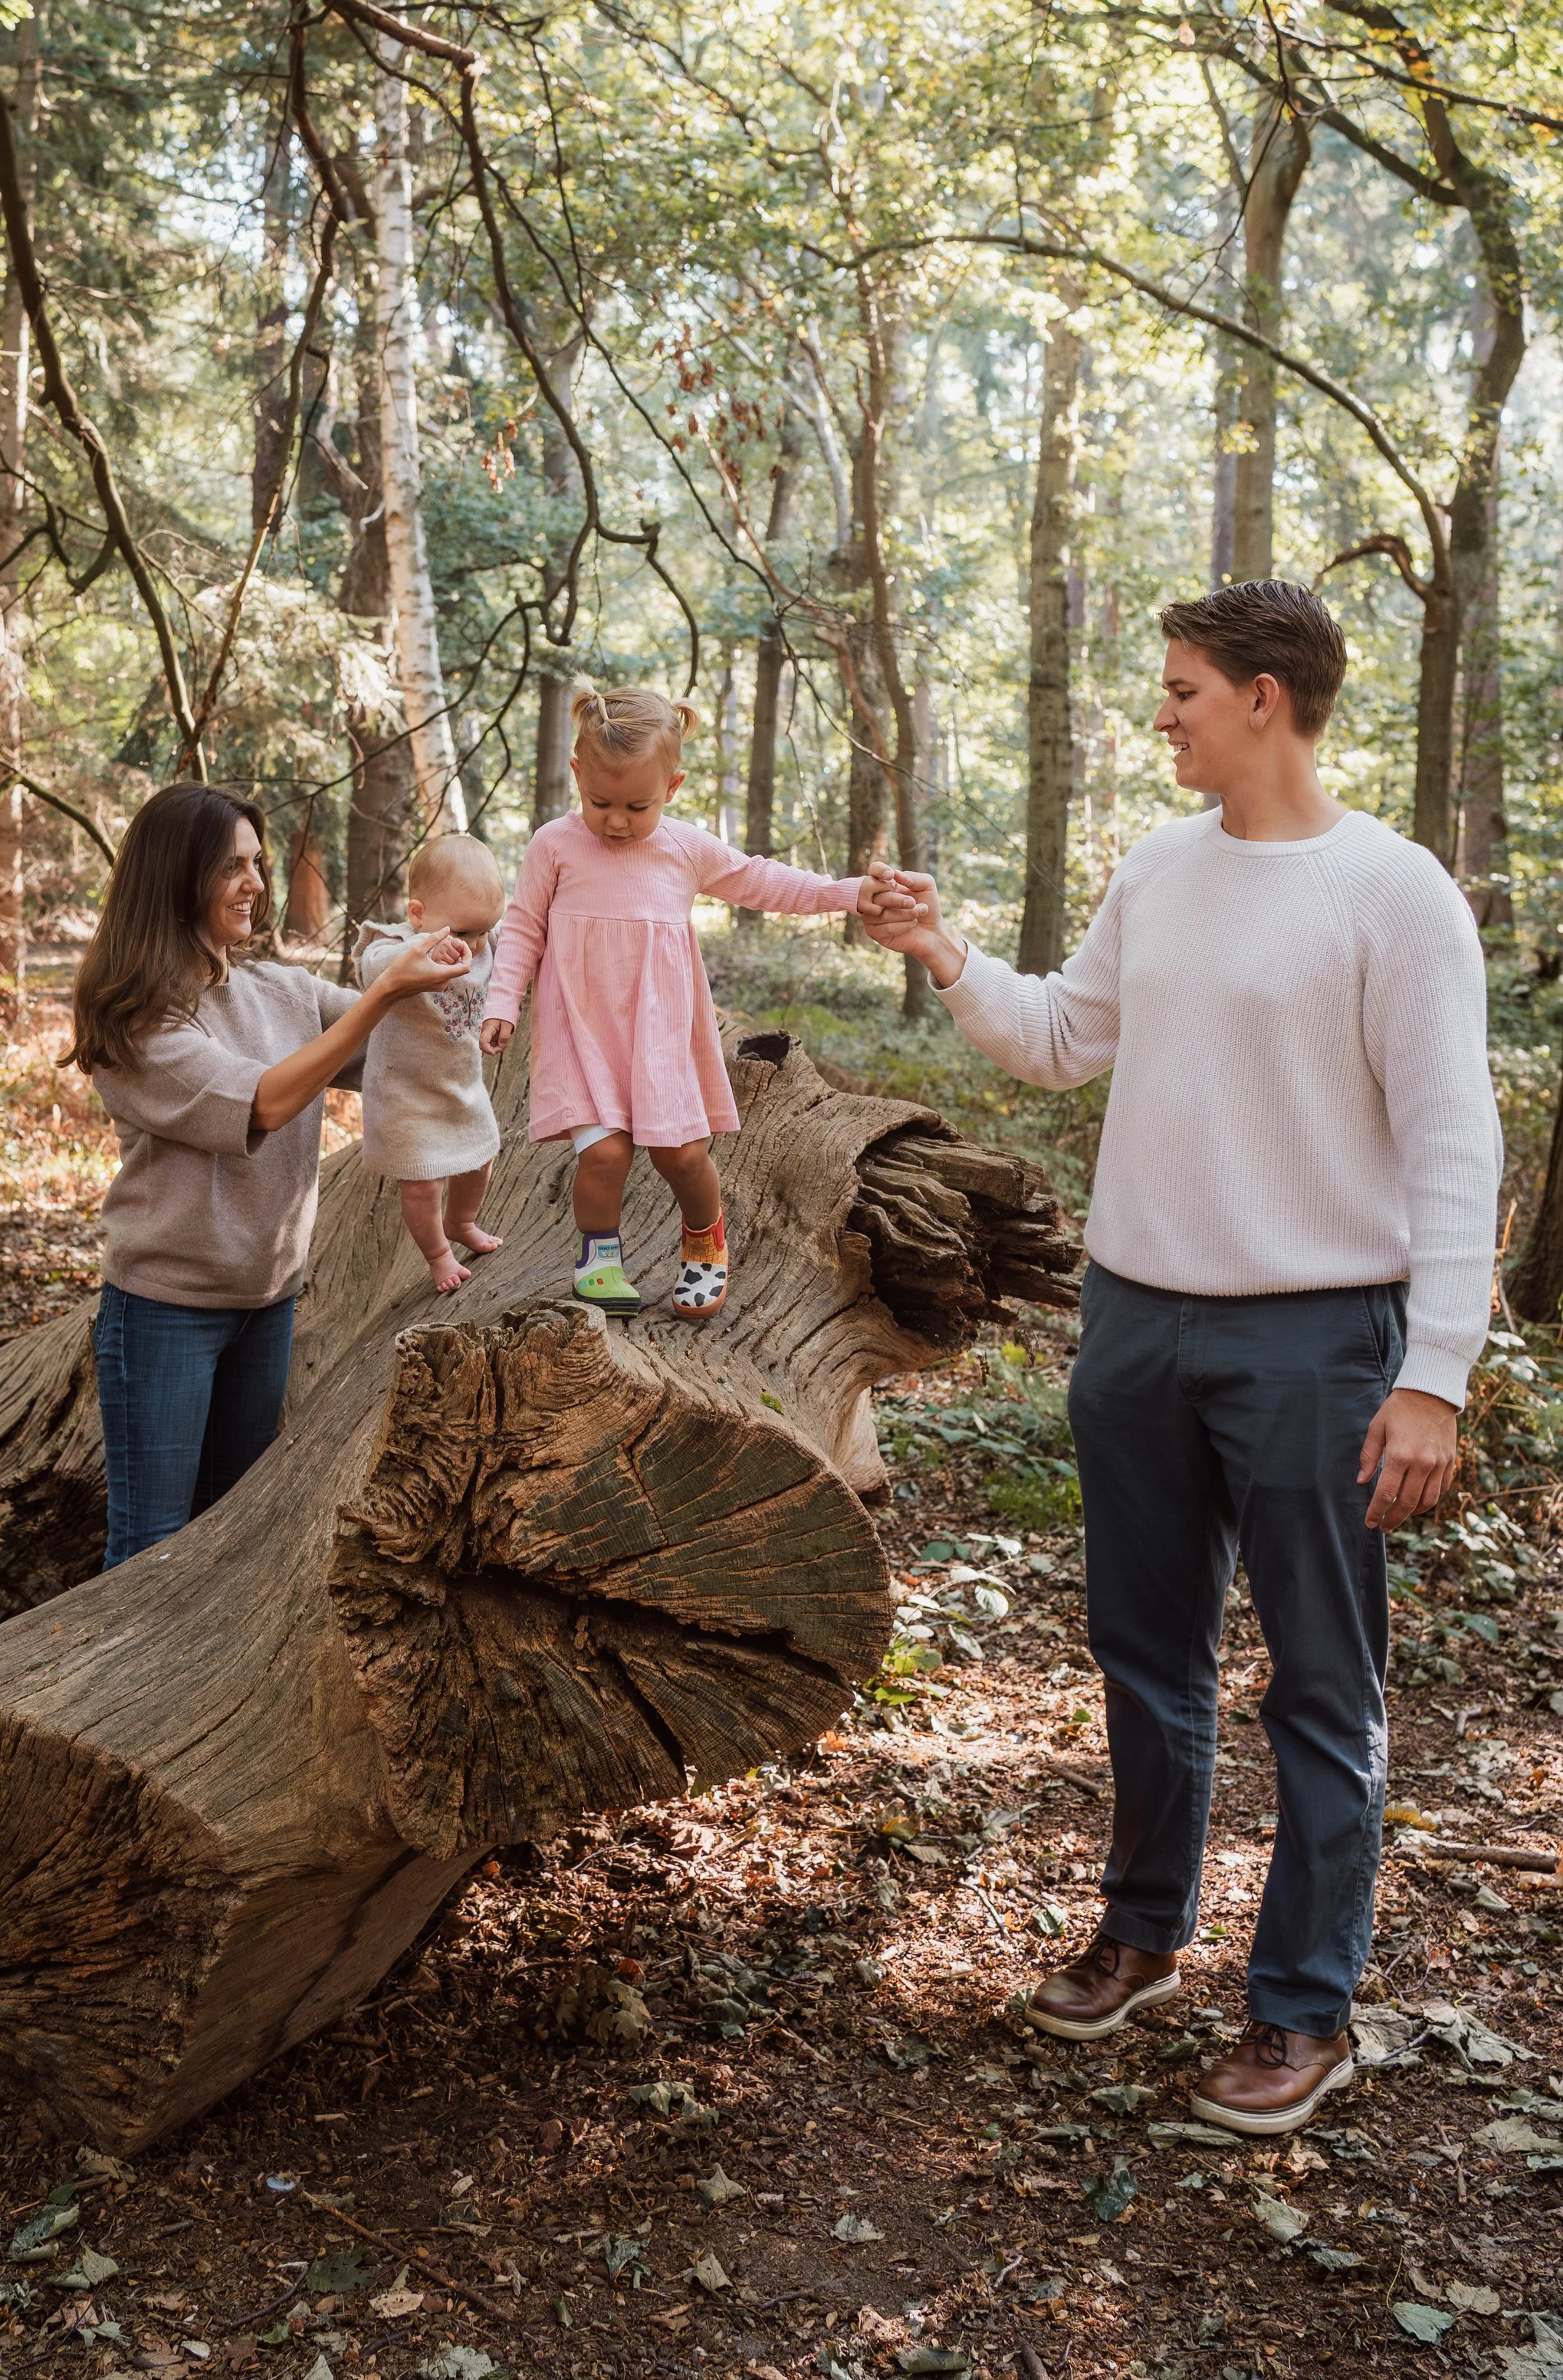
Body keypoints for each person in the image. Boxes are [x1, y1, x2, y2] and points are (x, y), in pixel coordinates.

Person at [859, 580, 1501, 2137]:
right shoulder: (1156, 866)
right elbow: (1067, 1038)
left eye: (1180, 690)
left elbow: (1448, 1141)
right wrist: (943, 951)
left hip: (1317, 1341)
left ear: (1264, 697)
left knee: (1319, 1689)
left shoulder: (1392, 891)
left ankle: (1300, 2011)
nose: (1159, 714)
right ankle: (1144, 1932)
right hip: (1136, 1322)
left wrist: (1431, 1372)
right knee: (1144, 1660)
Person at [70, 782, 468, 1568]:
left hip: (267, 1304)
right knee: (152, 1546)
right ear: (176, 878)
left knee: (233, 1540)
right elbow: (266, 1103)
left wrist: (484, 971)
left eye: (257, 863)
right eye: (231, 868)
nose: (255, 883)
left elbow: (391, 1051)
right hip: (164, 1313)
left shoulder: (277, 989)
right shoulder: (139, 1024)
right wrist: (386, 990)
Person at [479, 680, 876, 1320]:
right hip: (581, 1028)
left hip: (659, 1031)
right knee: (604, 1154)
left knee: (681, 1153)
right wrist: (501, 1002)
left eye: (637, 806)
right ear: (576, 774)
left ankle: (705, 1239)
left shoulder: (685, 848)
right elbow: (524, 926)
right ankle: (600, 1257)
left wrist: (847, 893)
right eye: (598, 801)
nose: (615, 820)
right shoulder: (553, 845)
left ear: (673, 788)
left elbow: (763, 881)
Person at [358, 832, 507, 1293]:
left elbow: (521, 928)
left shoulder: (483, 939)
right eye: (463, 932)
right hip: (405, 1095)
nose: (476, 944)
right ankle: (438, 1253)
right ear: (418, 914)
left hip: (461, 1086)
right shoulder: (396, 944)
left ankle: (462, 1222)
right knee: (422, 1185)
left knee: (479, 1159)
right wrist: (420, 951)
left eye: (484, 930)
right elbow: (372, 963)